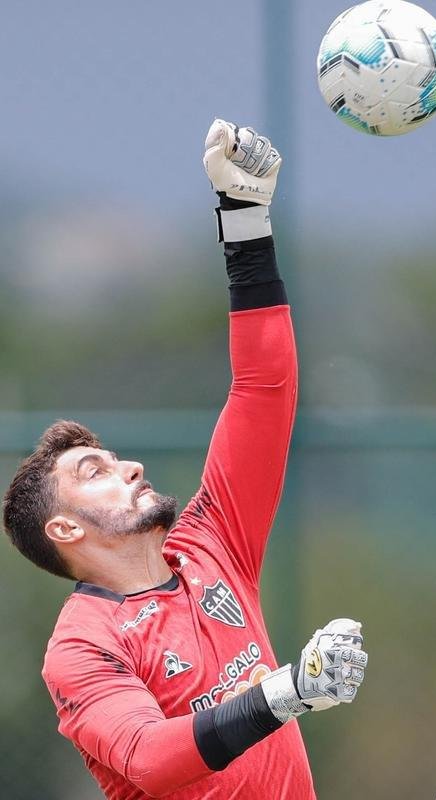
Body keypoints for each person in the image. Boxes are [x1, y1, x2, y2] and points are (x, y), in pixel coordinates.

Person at [2, 119, 367, 800]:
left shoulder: (210, 545)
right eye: (94, 471)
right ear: (64, 530)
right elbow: (147, 756)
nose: (129, 467)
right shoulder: (82, 648)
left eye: (112, 458)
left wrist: (246, 222)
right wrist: (285, 693)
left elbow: (264, 390)